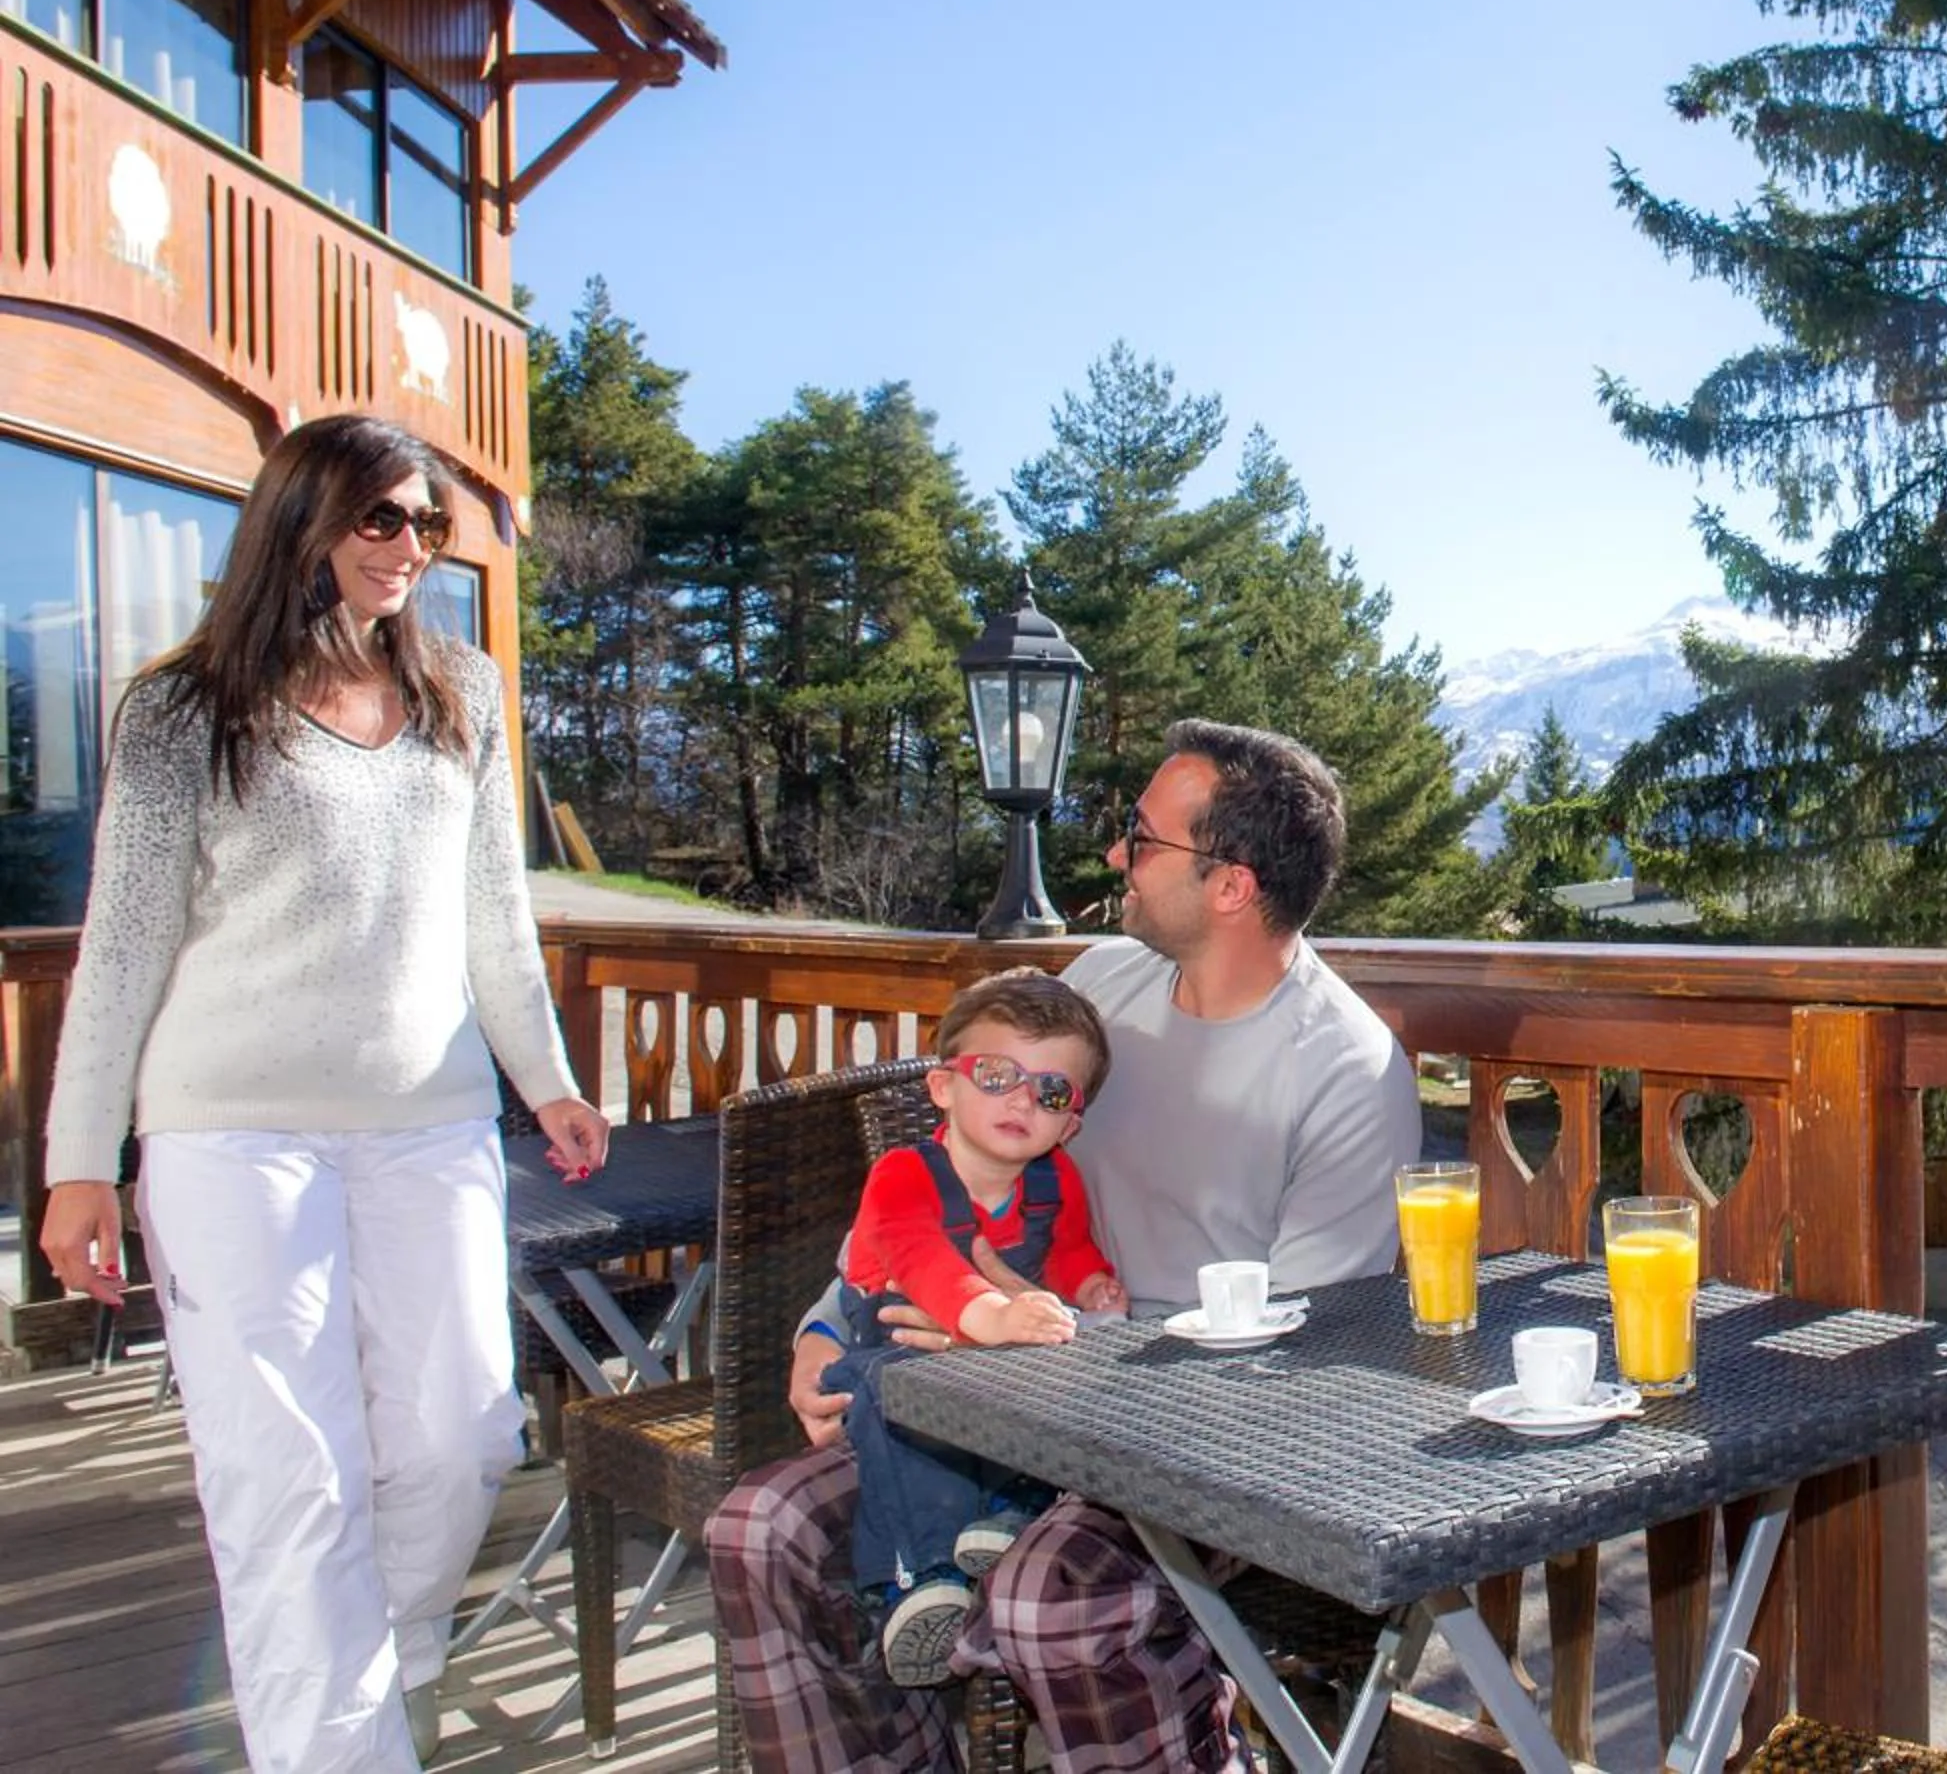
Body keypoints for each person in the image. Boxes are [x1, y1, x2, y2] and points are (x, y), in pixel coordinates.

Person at [37, 414, 609, 1773]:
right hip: (232, 1134)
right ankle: (345, 1746)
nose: (414, 546)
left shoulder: (459, 693)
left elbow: (494, 921)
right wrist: (76, 1159)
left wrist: (550, 1081)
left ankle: (376, 1660)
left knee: (465, 1433)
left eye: (428, 525)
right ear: (301, 522)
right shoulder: (183, 710)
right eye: (384, 520)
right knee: (286, 1480)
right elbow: (122, 944)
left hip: (428, 1123)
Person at [706, 718, 1420, 1774]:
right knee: (762, 1528)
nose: (1116, 857)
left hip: (1195, 1431)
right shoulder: (1101, 985)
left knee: (1049, 1594)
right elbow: (944, 1175)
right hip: (992, 1386)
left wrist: (1043, 1352)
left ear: (1231, 884)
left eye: (1141, 837)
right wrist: (824, 1323)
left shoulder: (1348, 1071)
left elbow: (1297, 1378)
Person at [825, 970, 1124, 1686]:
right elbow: (925, 1265)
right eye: (996, 1074)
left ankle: (1010, 1513)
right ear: (943, 1087)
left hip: (999, 1366)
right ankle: (916, 1580)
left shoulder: (1057, 1179)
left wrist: (1092, 1286)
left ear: (1069, 1122)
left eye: (1050, 1092)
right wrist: (992, 1316)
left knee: (1051, 1398)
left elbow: (1071, 1247)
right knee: (903, 1427)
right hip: (894, 1356)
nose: (1023, 1098)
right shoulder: (904, 1175)